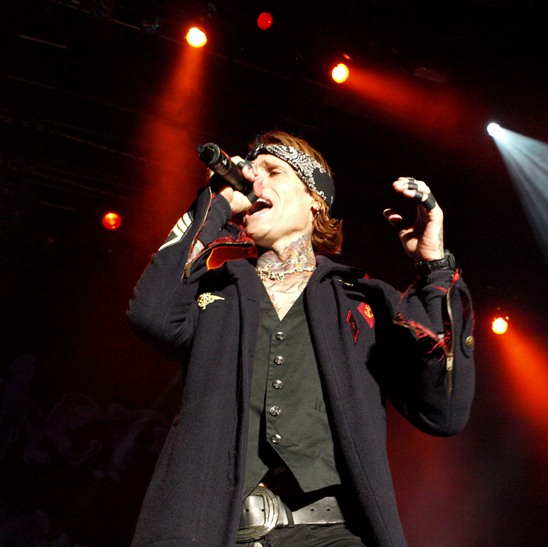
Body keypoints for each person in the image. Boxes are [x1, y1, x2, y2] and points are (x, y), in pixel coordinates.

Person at [126, 130, 475, 546]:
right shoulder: (216, 292)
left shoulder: (361, 299)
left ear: (315, 200)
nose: (256, 181)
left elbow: (444, 408)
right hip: (219, 533)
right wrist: (217, 203)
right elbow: (151, 315)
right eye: (252, 174)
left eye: (273, 171)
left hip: (334, 534)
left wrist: (435, 266)